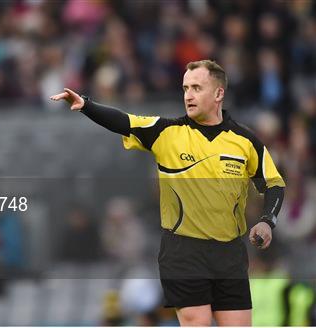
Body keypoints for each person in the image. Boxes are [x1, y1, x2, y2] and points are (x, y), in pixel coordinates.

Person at [51, 59, 286, 326]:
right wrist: (87, 105)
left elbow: (274, 184)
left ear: (219, 93)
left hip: (230, 253)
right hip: (183, 251)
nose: (188, 95)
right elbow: (125, 122)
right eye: (185, 88)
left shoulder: (246, 142)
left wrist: (268, 221)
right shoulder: (168, 133)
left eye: (197, 87)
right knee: (196, 322)